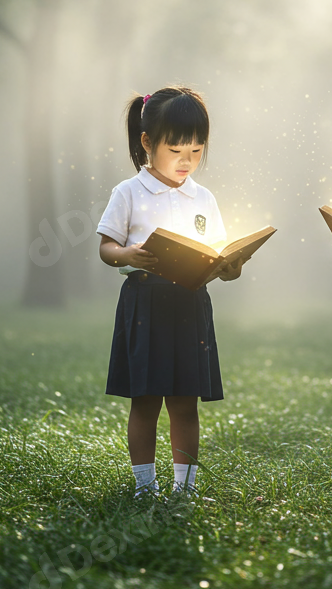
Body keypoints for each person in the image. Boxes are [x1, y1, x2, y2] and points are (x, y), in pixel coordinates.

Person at [96, 86, 246, 499]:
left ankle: (185, 487)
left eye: (196, 151)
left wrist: (230, 268)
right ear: (147, 142)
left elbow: (217, 255)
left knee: (184, 401)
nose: (187, 160)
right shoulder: (128, 192)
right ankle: (145, 486)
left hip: (189, 304)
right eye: (176, 150)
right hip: (145, 304)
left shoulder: (203, 197)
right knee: (145, 401)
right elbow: (106, 248)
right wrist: (128, 254)